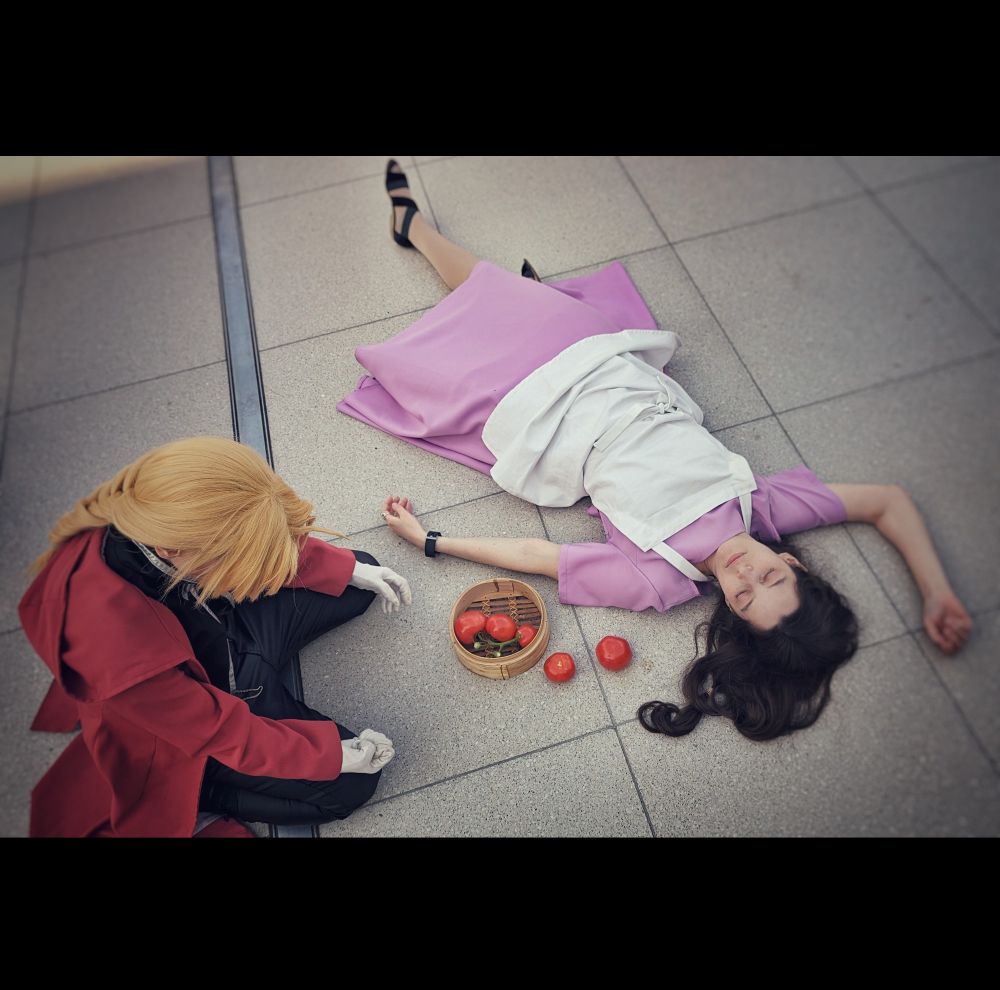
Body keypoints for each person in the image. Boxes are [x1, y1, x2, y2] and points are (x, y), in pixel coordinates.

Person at [344, 160, 972, 743]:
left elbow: (543, 556)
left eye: (746, 596)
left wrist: (431, 541)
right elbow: (886, 502)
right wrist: (936, 591)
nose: (745, 573)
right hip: (606, 365)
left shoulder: (660, 577)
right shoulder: (767, 508)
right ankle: (420, 231)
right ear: (795, 564)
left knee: (467, 343)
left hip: (539, 410)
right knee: (504, 295)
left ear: (731, 614)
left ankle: (485, 275)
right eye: (772, 574)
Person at [20, 435, 412, 837]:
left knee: (354, 575)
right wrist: (329, 754)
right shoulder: (109, 645)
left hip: (225, 635)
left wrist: (346, 569)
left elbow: (255, 538)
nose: (255, 570)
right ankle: (208, 790)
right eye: (238, 559)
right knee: (351, 785)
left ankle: (265, 685)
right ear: (172, 549)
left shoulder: (157, 509)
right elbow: (219, 729)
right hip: (206, 704)